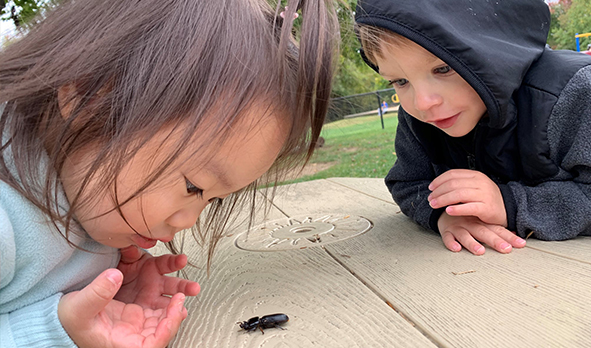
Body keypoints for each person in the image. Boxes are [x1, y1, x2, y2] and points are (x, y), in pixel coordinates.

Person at [0, 0, 338, 347]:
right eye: (194, 186)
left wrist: (112, 289)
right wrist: (48, 333)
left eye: (215, 199)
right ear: (91, 94)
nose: (190, 220)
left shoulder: (92, 200)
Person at [355, 0, 591, 256]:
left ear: (494, 48)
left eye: (443, 68)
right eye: (400, 81)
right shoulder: (418, 119)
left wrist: (510, 204)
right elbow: (407, 182)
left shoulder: (573, 94)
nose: (423, 102)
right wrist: (444, 213)